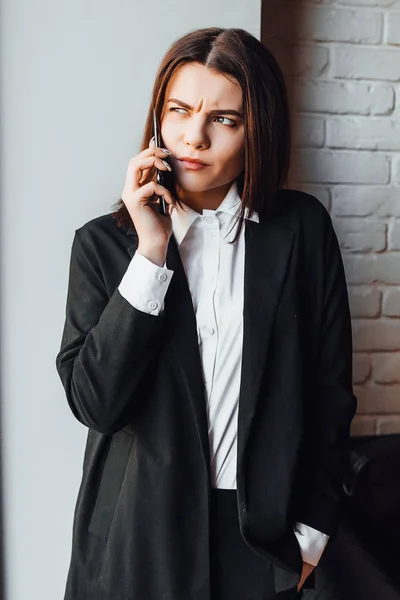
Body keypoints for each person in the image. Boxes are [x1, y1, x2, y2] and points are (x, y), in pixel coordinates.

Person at [56, 27, 357, 600]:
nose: (193, 137)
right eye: (179, 111)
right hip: (134, 542)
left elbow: (329, 394)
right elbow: (96, 402)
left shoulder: (302, 231)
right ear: (157, 119)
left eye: (224, 119)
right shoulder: (102, 245)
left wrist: (312, 536)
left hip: (260, 540)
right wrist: (151, 252)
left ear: (256, 131)